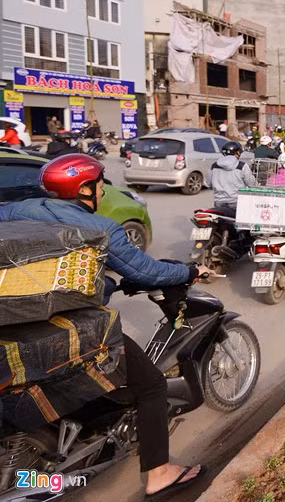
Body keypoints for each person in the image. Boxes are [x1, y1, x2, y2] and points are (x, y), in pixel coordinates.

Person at [0, 154, 209, 497]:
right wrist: (190, 271)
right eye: (98, 184)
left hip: (13, 327)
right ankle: (160, 473)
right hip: (72, 329)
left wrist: (107, 282)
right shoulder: (99, 229)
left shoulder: (14, 211)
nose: (101, 190)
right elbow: (147, 271)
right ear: (85, 190)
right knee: (152, 385)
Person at [209, 141, 257, 217]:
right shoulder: (242, 166)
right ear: (238, 153)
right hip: (236, 201)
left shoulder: (214, 165)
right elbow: (252, 184)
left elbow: (208, 183)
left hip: (219, 202)